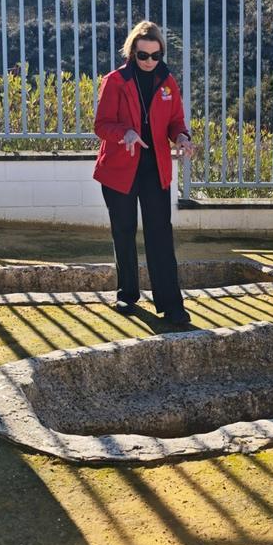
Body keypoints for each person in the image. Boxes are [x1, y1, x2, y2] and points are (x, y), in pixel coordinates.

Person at [94, 20, 197, 327]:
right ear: (132, 53)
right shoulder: (115, 81)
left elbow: (176, 121)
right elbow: (101, 125)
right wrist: (124, 133)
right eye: (143, 55)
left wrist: (182, 137)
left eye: (156, 55)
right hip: (120, 169)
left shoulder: (167, 81)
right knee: (124, 231)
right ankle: (127, 294)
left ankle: (171, 304)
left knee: (160, 235)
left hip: (155, 169)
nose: (150, 61)